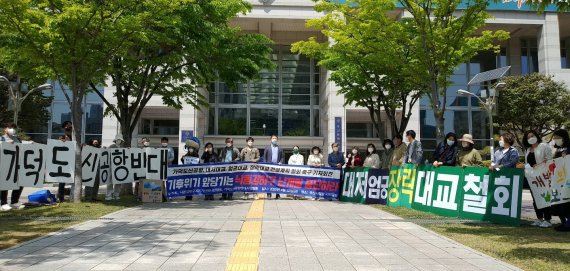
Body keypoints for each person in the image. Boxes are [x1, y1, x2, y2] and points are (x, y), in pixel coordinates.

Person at [522, 130, 554, 228]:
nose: (530, 138)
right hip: (533, 178)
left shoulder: (544, 146)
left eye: (532, 136)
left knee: (546, 197)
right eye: (528, 137)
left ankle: (547, 220)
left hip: (543, 177)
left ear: (536, 136)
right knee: (535, 198)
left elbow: (550, 160)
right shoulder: (528, 150)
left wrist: (543, 163)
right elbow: (527, 163)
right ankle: (539, 218)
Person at [0, 122, 24, 211]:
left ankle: (14, 201)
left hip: (17, 164)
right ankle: (3, 203)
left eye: (14, 127)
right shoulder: (1, 139)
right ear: (5, 129)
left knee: (20, 182)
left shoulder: (18, 139)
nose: (12, 129)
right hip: (4, 165)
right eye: (10, 127)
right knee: (4, 184)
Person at [552, 129, 570, 231]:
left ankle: (567, 224)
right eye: (555, 138)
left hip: (567, 180)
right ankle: (563, 222)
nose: (556, 140)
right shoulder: (557, 149)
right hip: (558, 181)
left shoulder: (568, 149)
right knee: (558, 203)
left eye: (558, 138)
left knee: (567, 203)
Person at [262, 135, 284, 199]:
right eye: (273, 138)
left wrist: (280, 162)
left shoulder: (280, 148)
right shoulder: (267, 148)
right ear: (271, 139)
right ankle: (269, 194)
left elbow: (282, 157)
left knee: (277, 181)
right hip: (269, 167)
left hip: (277, 167)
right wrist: (265, 165)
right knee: (268, 181)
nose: (274, 139)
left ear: (277, 140)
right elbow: (264, 157)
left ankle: (277, 194)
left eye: (275, 138)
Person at [105, 135, 125, 201]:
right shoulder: (111, 146)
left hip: (120, 166)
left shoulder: (122, 148)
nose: (119, 141)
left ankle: (116, 194)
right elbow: (106, 153)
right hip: (111, 165)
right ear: (115, 140)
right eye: (118, 140)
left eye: (120, 140)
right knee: (110, 181)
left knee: (119, 181)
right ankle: (109, 195)